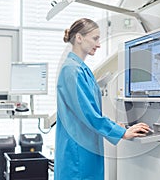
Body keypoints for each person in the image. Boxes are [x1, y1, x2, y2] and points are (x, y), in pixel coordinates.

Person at [54, 18, 150, 180]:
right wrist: (122, 132)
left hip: (86, 145)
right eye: (95, 38)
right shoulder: (72, 70)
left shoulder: (81, 69)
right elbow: (88, 114)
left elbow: (90, 110)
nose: (98, 44)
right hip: (78, 152)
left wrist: (114, 125)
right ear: (79, 38)